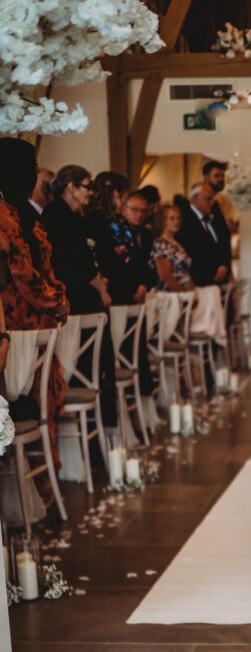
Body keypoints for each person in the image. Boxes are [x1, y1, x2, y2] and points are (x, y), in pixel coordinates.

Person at [0, 139, 69, 466]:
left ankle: (42, 472)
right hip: (14, 324)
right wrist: (55, 299)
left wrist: (57, 294)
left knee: (43, 400)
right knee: (30, 400)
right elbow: (20, 271)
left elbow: (38, 267)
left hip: (35, 324)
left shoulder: (19, 211)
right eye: (29, 169)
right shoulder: (4, 215)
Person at [43, 165, 111, 313]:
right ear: (72, 187)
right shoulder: (58, 215)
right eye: (87, 187)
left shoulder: (69, 214)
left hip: (75, 289)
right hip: (71, 293)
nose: (90, 192)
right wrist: (101, 288)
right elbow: (78, 259)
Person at [103, 189, 153, 305]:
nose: (140, 215)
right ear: (124, 209)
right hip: (119, 293)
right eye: (135, 210)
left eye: (143, 211)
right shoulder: (114, 231)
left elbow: (149, 262)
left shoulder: (147, 234)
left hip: (143, 292)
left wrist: (144, 285)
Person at [176, 183, 230, 288]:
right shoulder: (184, 219)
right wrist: (212, 275)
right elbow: (189, 252)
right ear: (195, 198)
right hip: (199, 282)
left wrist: (224, 266)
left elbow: (222, 243)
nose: (212, 202)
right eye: (208, 199)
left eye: (213, 199)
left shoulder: (213, 217)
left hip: (217, 280)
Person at [150, 205, 194, 291]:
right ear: (162, 221)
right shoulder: (160, 244)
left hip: (188, 292)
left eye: (178, 218)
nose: (176, 221)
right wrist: (183, 293)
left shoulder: (178, 243)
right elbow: (165, 276)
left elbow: (186, 272)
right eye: (172, 218)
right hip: (172, 295)